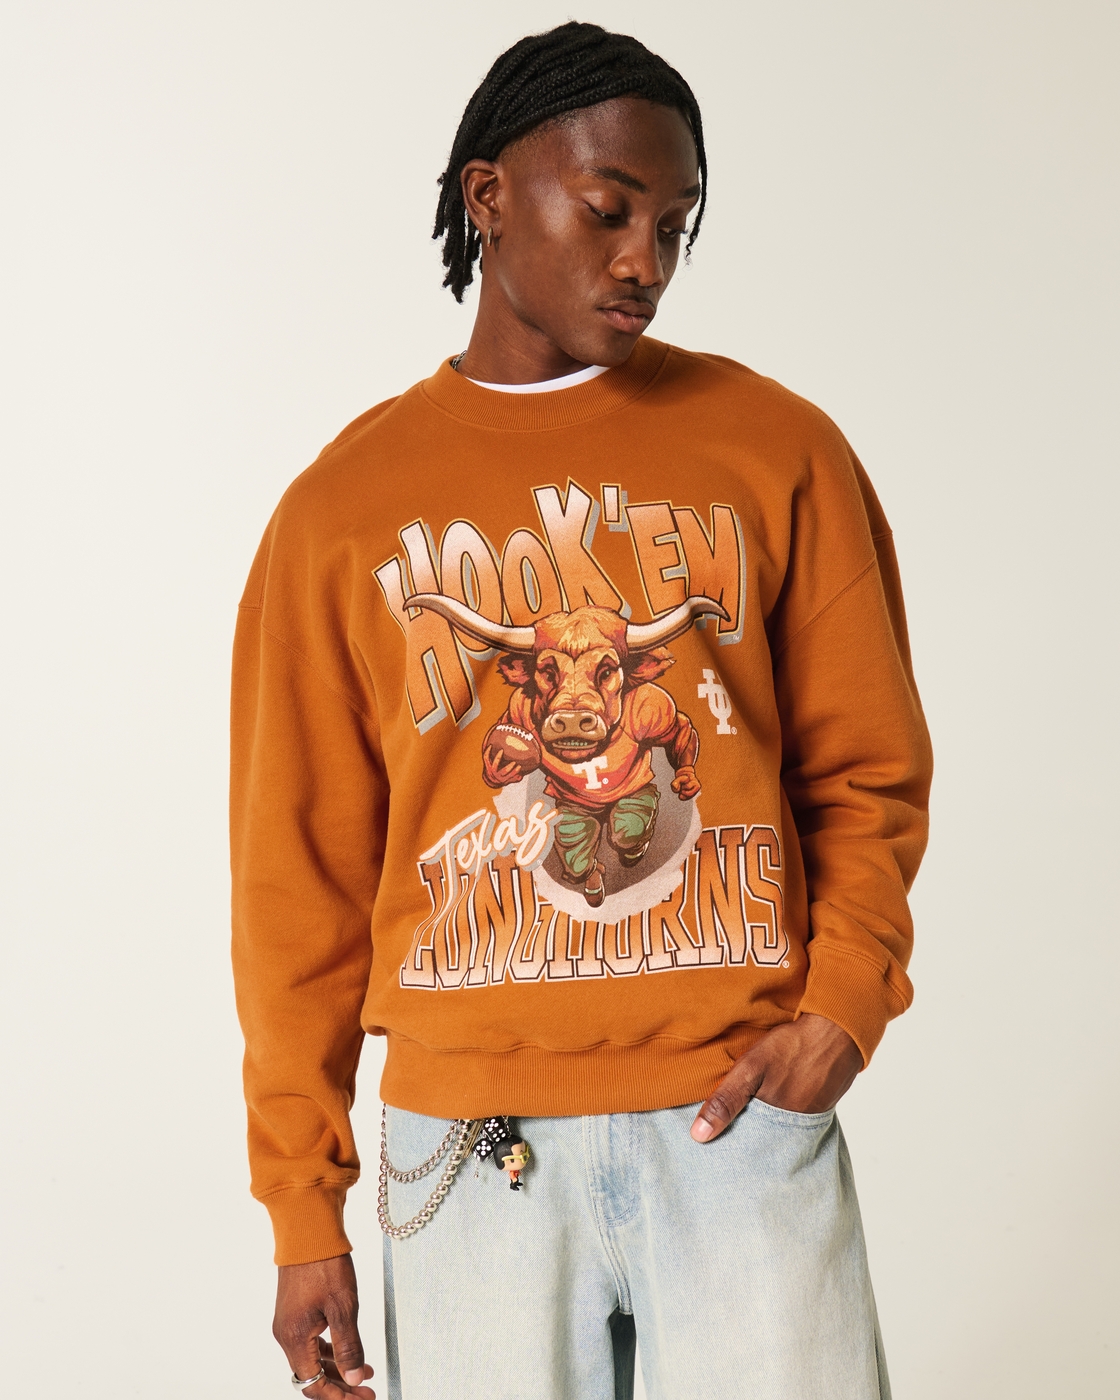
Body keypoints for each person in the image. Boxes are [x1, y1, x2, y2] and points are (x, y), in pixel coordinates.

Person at [231, 21, 932, 1400]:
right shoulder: (341, 512)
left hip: (740, 1118)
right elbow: (295, 878)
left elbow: (870, 771)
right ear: (488, 197)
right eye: (610, 210)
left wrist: (844, 1009)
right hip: (470, 1154)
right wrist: (302, 1206)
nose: (645, 261)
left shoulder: (777, 450)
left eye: (676, 226)